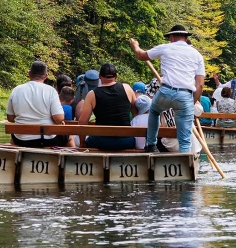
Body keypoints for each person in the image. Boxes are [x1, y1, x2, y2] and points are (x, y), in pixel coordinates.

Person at [130, 24, 205, 153]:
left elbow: (141, 55)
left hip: (166, 91)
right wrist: (190, 103)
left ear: (172, 37)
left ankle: (151, 144)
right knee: (185, 139)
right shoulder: (197, 55)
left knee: (153, 111)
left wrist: (135, 46)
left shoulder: (165, 48)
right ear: (185, 37)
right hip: (185, 94)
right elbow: (200, 85)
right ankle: (185, 161)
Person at [7, 60, 69, 148]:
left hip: (21, 139)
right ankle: (72, 159)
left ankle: (16, 159)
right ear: (46, 76)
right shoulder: (51, 91)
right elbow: (59, 118)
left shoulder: (16, 90)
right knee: (69, 137)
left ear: (29, 73)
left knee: (13, 138)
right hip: (46, 139)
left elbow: (10, 118)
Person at [76, 62, 138, 151]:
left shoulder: (92, 94)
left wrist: (82, 143)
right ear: (116, 76)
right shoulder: (127, 88)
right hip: (126, 141)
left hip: (101, 141)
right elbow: (136, 115)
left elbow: (82, 122)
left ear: (100, 77)